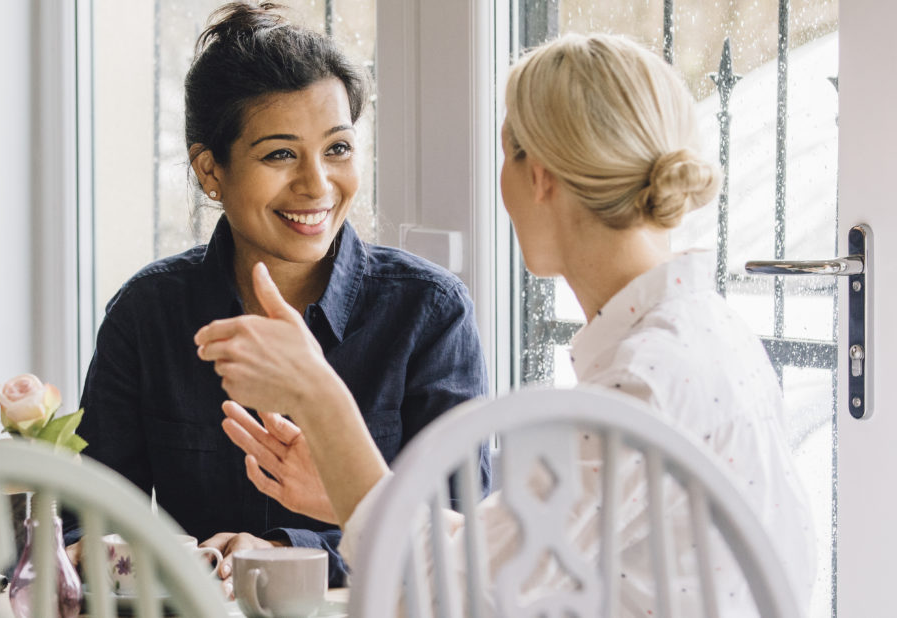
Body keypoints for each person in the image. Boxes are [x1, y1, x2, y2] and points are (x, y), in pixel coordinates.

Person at [201, 33, 816, 614]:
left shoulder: (641, 384)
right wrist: (347, 488)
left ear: (538, 174)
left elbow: (452, 600)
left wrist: (319, 394)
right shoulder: (701, 338)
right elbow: (508, 556)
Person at [66, 2, 490, 589]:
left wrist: (283, 552)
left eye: (337, 149)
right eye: (280, 154)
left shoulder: (430, 311)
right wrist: (135, 555)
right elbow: (86, 519)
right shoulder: (147, 313)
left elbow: (463, 536)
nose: (317, 184)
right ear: (210, 171)